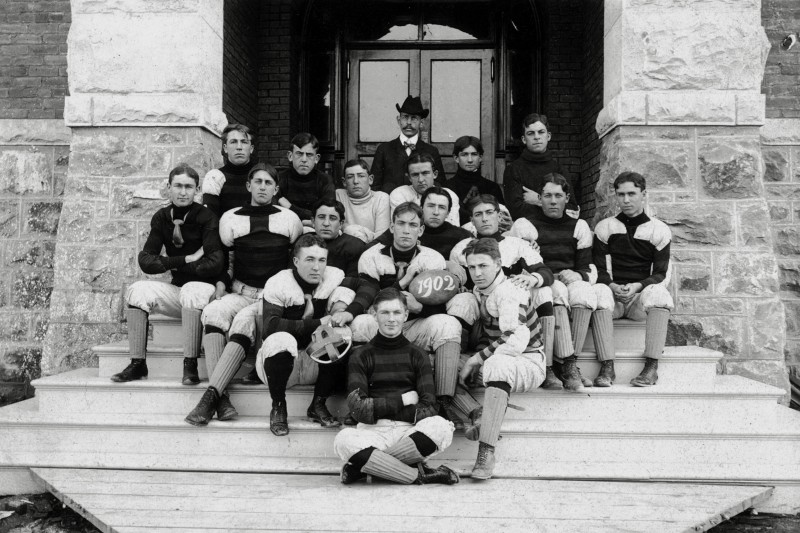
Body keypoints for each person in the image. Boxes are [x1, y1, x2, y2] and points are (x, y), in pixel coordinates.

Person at [185, 163, 303, 425]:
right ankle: (222, 396)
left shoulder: (289, 219)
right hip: (240, 290)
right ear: (248, 186)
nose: (263, 187)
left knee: (242, 323)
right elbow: (226, 261)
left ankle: (211, 396)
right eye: (257, 182)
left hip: (270, 298)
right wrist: (220, 282)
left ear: (276, 188)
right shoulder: (231, 218)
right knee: (213, 311)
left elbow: (294, 263)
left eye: (268, 183)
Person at [346, 203, 478, 429]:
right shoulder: (372, 255)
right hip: (383, 323)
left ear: (421, 230)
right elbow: (369, 296)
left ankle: (445, 400)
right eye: (401, 224)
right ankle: (360, 402)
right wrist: (403, 283)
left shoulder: (431, 257)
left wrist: (420, 308)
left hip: (414, 324)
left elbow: (438, 305)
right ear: (392, 226)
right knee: (358, 323)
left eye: (413, 225)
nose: (407, 230)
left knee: (447, 324)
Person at [333, 288, 459, 486]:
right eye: (385, 313)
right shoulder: (361, 355)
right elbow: (358, 409)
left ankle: (366, 467)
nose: (391, 319)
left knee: (441, 427)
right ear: (374, 315)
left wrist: (379, 408)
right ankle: (420, 475)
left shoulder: (417, 355)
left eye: (397, 312)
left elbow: (429, 408)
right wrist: (403, 401)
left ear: (406, 315)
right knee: (343, 440)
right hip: (373, 431)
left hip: (408, 433)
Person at [112, 164, 224, 384]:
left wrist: (168, 264)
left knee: (191, 290)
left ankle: (190, 364)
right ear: (168, 188)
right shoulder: (162, 217)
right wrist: (184, 260)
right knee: (138, 290)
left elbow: (215, 263)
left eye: (189, 187)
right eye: (178, 186)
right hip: (179, 291)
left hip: (205, 292)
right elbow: (145, 260)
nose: (183, 192)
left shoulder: (207, 217)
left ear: (197, 190)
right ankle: (137, 364)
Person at [459, 238, 546, 480]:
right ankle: (477, 413)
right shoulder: (480, 289)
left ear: (498, 264)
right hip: (499, 357)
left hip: (527, 361)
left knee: (496, 364)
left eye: (483, 266)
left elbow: (515, 340)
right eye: (472, 267)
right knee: (440, 365)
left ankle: (486, 451)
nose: (477, 273)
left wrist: (476, 359)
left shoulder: (510, 290)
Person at [254, 234, 358, 436]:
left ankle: (318, 404)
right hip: (280, 367)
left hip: (315, 364)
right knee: (281, 338)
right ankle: (278, 406)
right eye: (309, 259)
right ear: (296, 261)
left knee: (338, 333)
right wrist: (319, 322)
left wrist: (343, 309)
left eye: (322, 260)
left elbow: (363, 286)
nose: (317, 267)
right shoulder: (279, 281)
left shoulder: (333, 275)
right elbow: (270, 326)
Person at [510, 173, 604, 389]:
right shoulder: (525, 224)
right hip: (540, 282)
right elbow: (517, 265)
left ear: (567, 198)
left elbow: (586, 266)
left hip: (566, 278)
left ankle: (570, 363)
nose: (553, 201)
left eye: (558, 196)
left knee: (584, 291)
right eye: (547, 195)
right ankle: (550, 365)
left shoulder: (578, 226)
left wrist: (578, 275)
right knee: (558, 290)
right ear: (539, 198)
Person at [593, 171, 673, 387]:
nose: (626, 200)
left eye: (631, 194)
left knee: (659, 292)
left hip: (640, 299)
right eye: (620, 195)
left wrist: (637, 286)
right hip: (614, 298)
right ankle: (607, 366)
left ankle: (651, 366)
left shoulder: (658, 229)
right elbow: (599, 270)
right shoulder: (605, 228)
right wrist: (612, 285)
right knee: (598, 291)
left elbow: (661, 273)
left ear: (643, 194)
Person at [502, 113, 578, 220]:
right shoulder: (513, 169)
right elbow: (515, 210)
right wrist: (554, 206)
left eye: (541, 132)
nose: (536, 137)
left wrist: (539, 201)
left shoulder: (560, 169)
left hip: (556, 230)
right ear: (524, 139)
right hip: (527, 230)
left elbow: (572, 209)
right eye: (531, 133)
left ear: (548, 136)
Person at [371, 95, 446, 193]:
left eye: (414, 118)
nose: (409, 122)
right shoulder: (384, 149)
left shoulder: (431, 151)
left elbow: (439, 184)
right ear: (399, 120)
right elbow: (375, 186)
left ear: (421, 123)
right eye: (405, 117)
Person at [276, 132, 336, 224]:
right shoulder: (279, 179)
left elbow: (325, 214)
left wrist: (290, 207)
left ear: (316, 158)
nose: (304, 159)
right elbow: (275, 212)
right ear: (290, 156)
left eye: (309, 155)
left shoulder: (325, 180)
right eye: (299, 154)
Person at [202, 124, 258, 219]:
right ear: (225, 148)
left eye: (244, 142)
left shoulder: (262, 177)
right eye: (233, 142)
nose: (239, 147)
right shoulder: (215, 178)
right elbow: (210, 220)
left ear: (251, 148)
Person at [389, 153, 460, 226]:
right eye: (415, 175)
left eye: (425, 173)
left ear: (435, 174)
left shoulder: (449, 195)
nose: (420, 179)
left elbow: (452, 226)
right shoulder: (400, 194)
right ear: (409, 177)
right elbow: (402, 226)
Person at [445, 136, 505, 223]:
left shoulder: (492, 187)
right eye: (464, 154)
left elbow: (501, 217)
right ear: (456, 158)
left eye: (474, 154)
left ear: (480, 157)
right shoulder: (448, 187)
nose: (470, 160)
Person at [335, 159, 391, 243]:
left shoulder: (381, 198)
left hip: (373, 250)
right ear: (344, 182)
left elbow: (381, 237)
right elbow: (336, 230)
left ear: (370, 179)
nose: (356, 181)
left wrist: (346, 228)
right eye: (350, 177)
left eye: (361, 176)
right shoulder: (339, 195)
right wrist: (367, 235)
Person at [311, 198, 366, 278]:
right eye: (321, 217)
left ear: (341, 223)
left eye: (332, 218)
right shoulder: (303, 242)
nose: (326, 223)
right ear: (313, 221)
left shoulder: (354, 245)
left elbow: (353, 282)